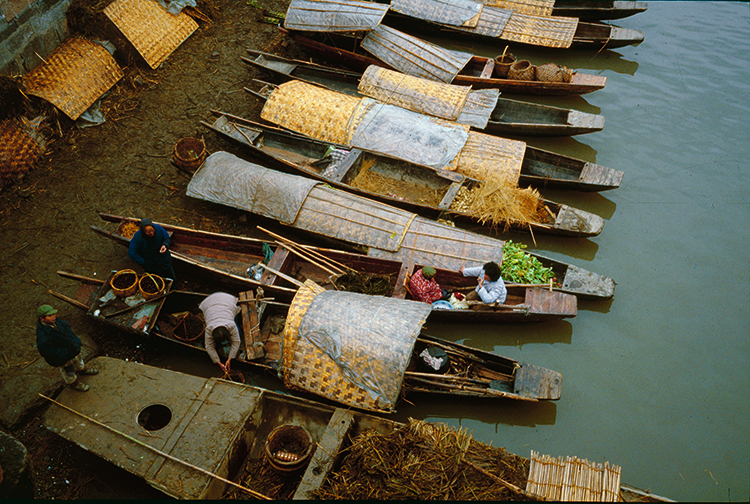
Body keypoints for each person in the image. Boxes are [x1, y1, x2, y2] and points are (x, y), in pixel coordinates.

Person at [35, 305, 98, 392]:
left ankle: (83, 370)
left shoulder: (56, 321)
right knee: (69, 371)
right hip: (65, 358)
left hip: (73, 349)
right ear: (42, 319)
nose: (54, 317)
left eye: (54, 314)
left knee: (79, 360)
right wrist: (66, 353)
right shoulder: (43, 338)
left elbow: (67, 329)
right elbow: (49, 353)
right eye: (50, 316)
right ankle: (74, 384)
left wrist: (76, 341)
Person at [198, 292, 242, 373]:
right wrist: (219, 362)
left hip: (227, 300)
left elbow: (236, 341)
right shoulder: (209, 328)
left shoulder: (231, 324)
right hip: (209, 302)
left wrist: (229, 359)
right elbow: (209, 347)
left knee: (236, 324)